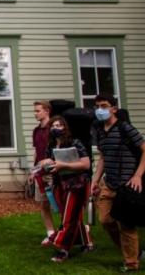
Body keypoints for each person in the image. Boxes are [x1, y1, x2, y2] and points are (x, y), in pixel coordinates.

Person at [90, 93, 145, 272]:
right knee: (105, 220)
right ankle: (134, 251)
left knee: (126, 225)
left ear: (114, 108)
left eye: (103, 106)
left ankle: (131, 263)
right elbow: (103, 157)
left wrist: (137, 176)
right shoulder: (100, 131)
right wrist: (95, 180)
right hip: (108, 183)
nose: (99, 110)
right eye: (97, 106)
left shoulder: (125, 128)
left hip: (127, 185)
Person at [37, 116, 94, 262]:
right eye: (53, 126)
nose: (56, 128)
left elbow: (86, 164)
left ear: (65, 128)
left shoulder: (75, 143)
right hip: (60, 184)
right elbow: (48, 164)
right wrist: (43, 165)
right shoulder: (51, 146)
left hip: (77, 183)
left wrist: (64, 165)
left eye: (59, 125)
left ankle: (63, 249)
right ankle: (87, 243)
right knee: (71, 215)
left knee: (69, 218)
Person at [31, 100, 56, 243]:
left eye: (38, 111)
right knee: (44, 204)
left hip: (54, 171)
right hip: (40, 173)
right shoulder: (36, 131)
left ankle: (68, 231)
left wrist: (50, 161)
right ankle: (51, 233)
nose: (35, 113)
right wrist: (33, 170)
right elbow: (36, 151)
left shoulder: (53, 129)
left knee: (58, 202)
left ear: (47, 111)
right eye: (34, 111)